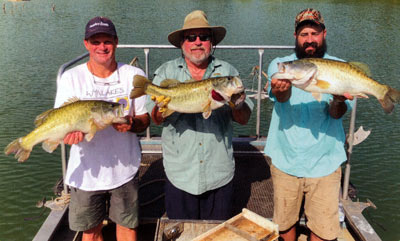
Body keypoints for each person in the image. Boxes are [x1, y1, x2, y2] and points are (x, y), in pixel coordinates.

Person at [147, 10, 253, 220]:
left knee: (216, 232)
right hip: (180, 174)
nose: (197, 42)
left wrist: (237, 104)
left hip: (219, 173)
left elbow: (244, 118)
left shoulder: (227, 70)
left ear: (212, 42)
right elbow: (156, 119)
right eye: (191, 38)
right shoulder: (166, 73)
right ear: (182, 43)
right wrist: (160, 107)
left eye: (204, 37)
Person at [54, 16, 150, 241]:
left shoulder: (134, 76)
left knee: (127, 228)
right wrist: (71, 135)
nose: (102, 47)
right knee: (90, 232)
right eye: (95, 42)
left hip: (125, 169)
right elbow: (62, 122)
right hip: (87, 173)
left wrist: (133, 124)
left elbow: (145, 120)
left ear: (116, 42)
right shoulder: (71, 78)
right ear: (86, 44)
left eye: (107, 41)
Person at [263, 8, 353, 241]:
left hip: (325, 163)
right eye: (304, 34)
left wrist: (338, 99)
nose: (310, 39)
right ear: (295, 37)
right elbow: (280, 96)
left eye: (315, 32)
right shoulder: (281, 65)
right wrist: (279, 89)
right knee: (284, 226)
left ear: (324, 34)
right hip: (285, 160)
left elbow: (337, 114)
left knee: (323, 230)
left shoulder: (341, 67)